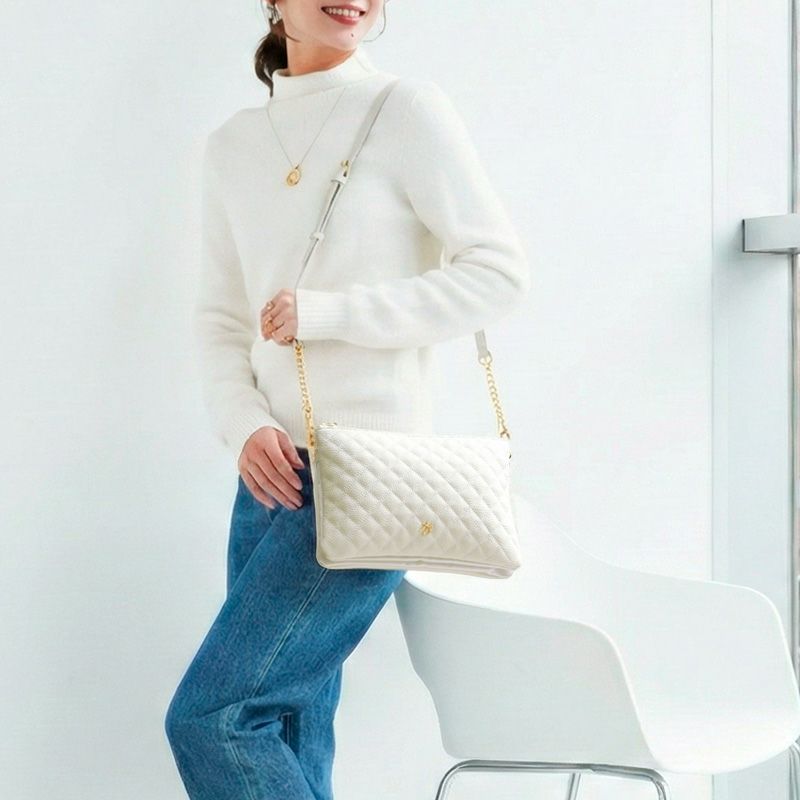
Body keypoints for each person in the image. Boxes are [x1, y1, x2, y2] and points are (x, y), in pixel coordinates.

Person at [164, 1, 531, 798]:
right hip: (267, 480)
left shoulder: (406, 109)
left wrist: (330, 314)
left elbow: (497, 273)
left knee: (215, 718)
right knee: (286, 728)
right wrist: (243, 423)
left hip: (369, 473)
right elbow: (222, 317)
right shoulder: (232, 145)